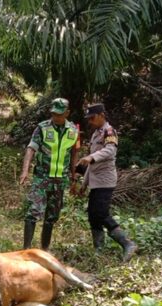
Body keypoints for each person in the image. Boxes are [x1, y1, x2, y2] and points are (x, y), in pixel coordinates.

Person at [76, 103, 137, 261]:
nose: (90, 121)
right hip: (95, 181)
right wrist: (84, 184)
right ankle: (99, 250)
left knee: (101, 213)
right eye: (88, 119)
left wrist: (91, 157)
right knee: (92, 215)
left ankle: (127, 243)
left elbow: (110, 150)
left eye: (93, 117)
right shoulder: (96, 134)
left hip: (106, 180)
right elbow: (91, 164)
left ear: (102, 115)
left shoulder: (110, 131)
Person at [19, 98, 79, 250]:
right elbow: (31, 148)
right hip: (42, 177)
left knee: (52, 216)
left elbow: (73, 153)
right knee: (33, 211)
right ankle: (26, 249)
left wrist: (73, 175)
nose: (56, 117)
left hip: (60, 179)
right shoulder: (43, 128)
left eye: (59, 114)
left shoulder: (73, 130)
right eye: (53, 114)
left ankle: (44, 249)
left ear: (67, 113)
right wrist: (25, 170)